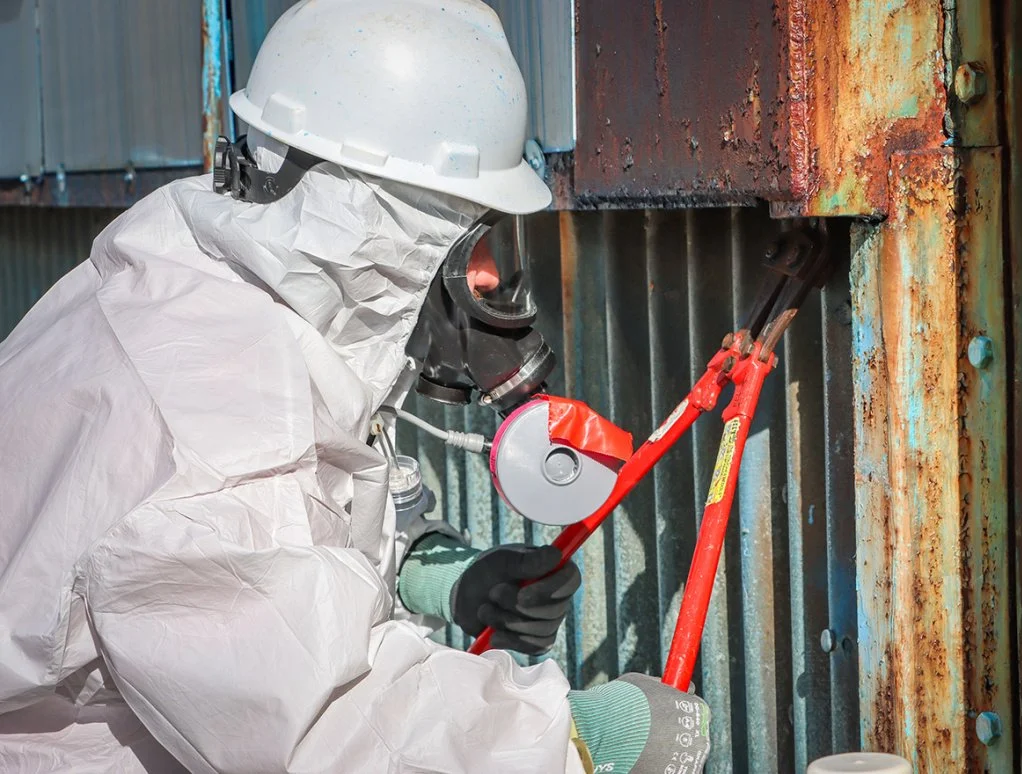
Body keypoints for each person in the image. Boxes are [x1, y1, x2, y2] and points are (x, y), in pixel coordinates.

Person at [0, 1, 711, 772]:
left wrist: (433, 571)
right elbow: (330, 729)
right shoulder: (210, 439)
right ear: (382, 227)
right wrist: (572, 741)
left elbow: (277, 530)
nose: (491, 282)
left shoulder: (200, 278)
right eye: (479, 245)